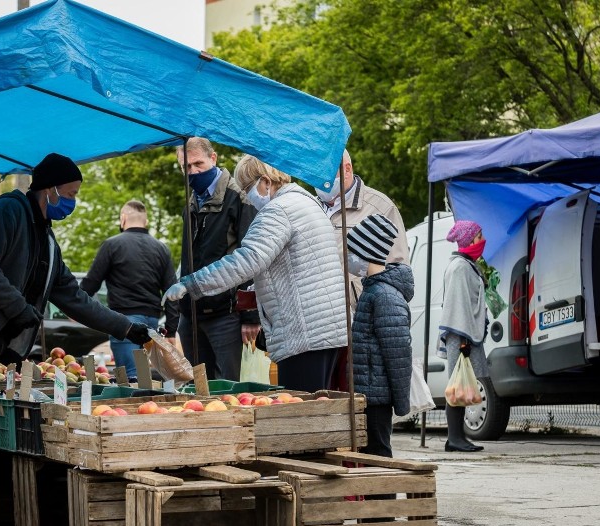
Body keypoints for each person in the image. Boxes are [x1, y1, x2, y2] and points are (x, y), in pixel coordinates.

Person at [0, 153, 152, 526]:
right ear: (48, 188)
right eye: (69, 193)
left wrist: (127, 327)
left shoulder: (46, 240)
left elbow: (75, 298)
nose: (72, 201)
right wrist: (19, 309)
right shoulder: (6, 212)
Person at [164, 154, 348, 392]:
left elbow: (246, 260)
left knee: (298, 412)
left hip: (303, 333)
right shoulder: (307, 203)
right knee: (320, 405)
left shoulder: (277, 211)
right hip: (326, 327)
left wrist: (192, 283)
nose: (247, 196)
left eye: (248, 188)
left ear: (265, 182)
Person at [175, 138, 260, 380]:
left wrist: (250, 315)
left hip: (226, 314)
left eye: (198, 164)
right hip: (191, 314)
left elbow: (252, 257)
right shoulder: (190, 203)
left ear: (213, 158)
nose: (193, 171)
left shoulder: (239, 199)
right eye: (186, 167)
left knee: (228, 389)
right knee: (199, 388)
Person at [81, 199, 179, 377]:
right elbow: (171, 291)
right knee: (151, 378)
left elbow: (91, 282)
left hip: (124, 322)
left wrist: (77, 306)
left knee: (131, 378)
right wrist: (171, 330)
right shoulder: (161, 249)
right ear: (146, 221)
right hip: (152, 321)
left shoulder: (112, 245)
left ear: (123, 218)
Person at [350, 214, 414, 458]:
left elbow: (398, 354)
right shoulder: (371, 290)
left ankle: (385, 496)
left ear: (366, 253)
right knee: (371, 452)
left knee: (379, 453)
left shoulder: (384, 296)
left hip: (377, 395)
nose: (348, 258)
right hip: (369, 391)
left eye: (352, 252)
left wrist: (401, 402)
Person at [314, 149, 409, 309]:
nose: (319, 181)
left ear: (347, 169)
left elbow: (398, 273)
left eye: (325, 174)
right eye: (315, 175)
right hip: (320, 318)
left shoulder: (381, 207)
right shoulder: (310, 208)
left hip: (360, 321)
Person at [439, 219, 487, 452]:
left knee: (460, 385)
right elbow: (458, 307)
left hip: (463, 336)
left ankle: (457, 437)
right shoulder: (460, 268)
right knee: (457, 386)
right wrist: (465, 340)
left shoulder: (466, 265)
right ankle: (455, 438)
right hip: (461, 336)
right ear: (468, 240)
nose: (482, 241)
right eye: (479, 237)